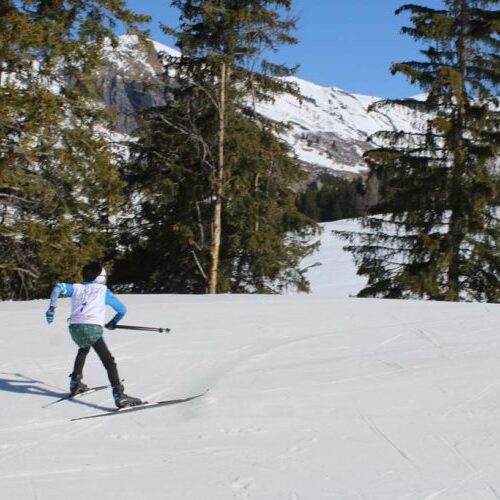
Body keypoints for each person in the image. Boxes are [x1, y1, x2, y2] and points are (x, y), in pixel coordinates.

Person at [45, 261, 142, 408]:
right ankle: (119, 394)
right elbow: (122, 310)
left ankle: (75, 383)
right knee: (109, 361)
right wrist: (113, 322)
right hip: (92, 329)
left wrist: (51, 309)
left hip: (75, 329)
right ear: (101, 278)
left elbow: (58, 287)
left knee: (84, 348)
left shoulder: (77, 288)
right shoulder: (103, 291)